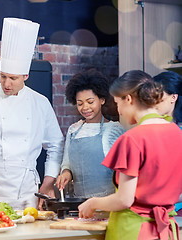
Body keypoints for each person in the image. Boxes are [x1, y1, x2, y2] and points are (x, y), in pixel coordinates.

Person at [0, 18, 64, 210]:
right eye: (3, 76)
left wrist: (48, 183)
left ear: (26, 76)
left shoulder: (40, 103)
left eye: (13, 78)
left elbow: (55, 145)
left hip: (28, 192)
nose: (7, 84)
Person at [78, 70, 182, 240]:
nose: (119, 111)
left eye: (117, 103)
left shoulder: (132, 139)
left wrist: (93, 202)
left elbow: (124, 200)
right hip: (166, 231)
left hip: (133, 230)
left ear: (128, 99)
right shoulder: (178, 133)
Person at [56, 69, 125, 198]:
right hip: (79, 204)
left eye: (90, 102)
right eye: (80, 103)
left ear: (102, 100)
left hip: (107, 203)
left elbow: (124, 171)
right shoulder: (73, 130)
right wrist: (65, 174)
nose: (85, 108)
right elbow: (67, 163)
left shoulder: (115, 130)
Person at [154, 71, 182, 216]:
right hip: (158, 208)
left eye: (158, 97)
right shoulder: (152, 129)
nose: (153, 102)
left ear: (173, 97)